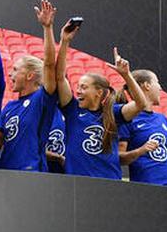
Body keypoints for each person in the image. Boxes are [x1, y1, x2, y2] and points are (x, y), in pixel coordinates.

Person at [56, 18, 148, 180]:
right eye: (78, 87)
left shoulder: (112, 113)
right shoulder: (72, 110)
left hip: (109, 184)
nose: (78, 91)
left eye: (84, 87)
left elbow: (141, 104)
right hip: (77, 185)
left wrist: (126, 75)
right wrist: (64, 42)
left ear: (98, 92)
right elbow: (60, 77)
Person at [0, 0, 58, 171]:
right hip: (6, 173)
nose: (10, 74)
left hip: (32, 173)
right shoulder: (9, 106)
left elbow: (50, 65)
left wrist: (47, 28)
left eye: (15, 70)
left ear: (30, 75)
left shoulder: (42, 98)